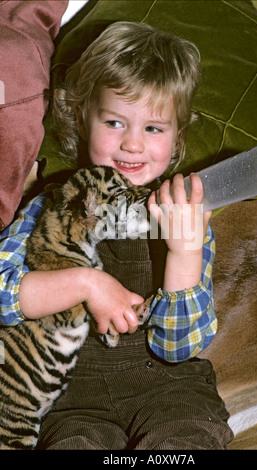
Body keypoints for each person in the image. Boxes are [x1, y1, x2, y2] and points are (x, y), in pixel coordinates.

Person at [0, 22, 233, 449]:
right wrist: (86, 283)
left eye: (153, 129)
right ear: (81, 118)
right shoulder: (49, 204)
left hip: (170, 391)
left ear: (177, 138)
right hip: (74, 401)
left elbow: (178, 349)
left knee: (185, 442)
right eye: (114, 122)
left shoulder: (185, 215)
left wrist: (185, 252)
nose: (131, 144)